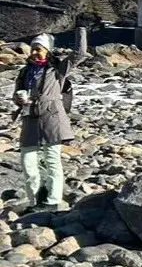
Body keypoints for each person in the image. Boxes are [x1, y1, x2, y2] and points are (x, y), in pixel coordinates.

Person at [11, 32, 87, 211]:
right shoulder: (25, 71)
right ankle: (34, 201)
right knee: (28, 163)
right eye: (33, 49)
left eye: (39, 49)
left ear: (47, 50)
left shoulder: (58, 69)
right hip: (30, 118)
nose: (35, 52)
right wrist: (18, 99)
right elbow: (16, 94)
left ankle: (52, 201)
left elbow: (80, 54)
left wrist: (81, 29)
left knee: (52, 160)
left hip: (52, 118)